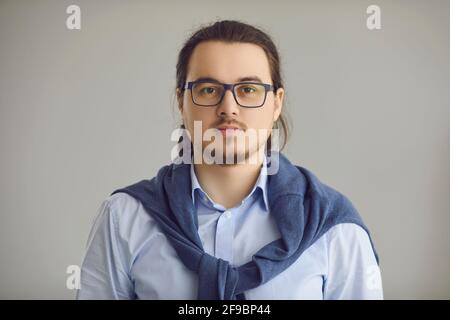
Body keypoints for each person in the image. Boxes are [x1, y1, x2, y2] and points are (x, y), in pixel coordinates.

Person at [77, 20, 383, 300]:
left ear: (276, 104)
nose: (228, 107)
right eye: (208, 90)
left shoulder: (334, 227)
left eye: (248, 89)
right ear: (181, 103)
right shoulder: (123, 218)